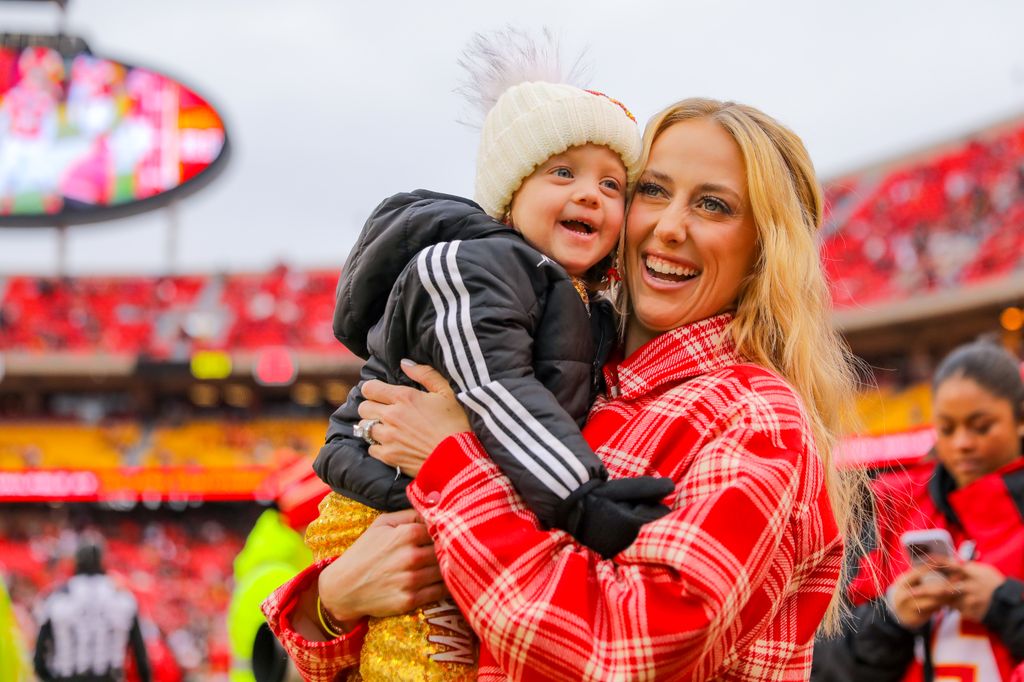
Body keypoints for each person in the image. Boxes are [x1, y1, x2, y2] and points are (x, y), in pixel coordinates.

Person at [264, 95, 866, 680]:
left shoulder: (756, 417)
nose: (669, 226)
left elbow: (623, 654)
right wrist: (335, 602)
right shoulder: (580, 379)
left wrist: (450, 462)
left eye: (713, 206)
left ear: (765, 249)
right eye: (652, 191)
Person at [303, 31, 670, 680]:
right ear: (510, 194)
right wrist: (581, 497)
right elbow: (499, 394)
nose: (591, 194)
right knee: (427, 657)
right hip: (389, 505)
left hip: (447, 495)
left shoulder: (582, 301)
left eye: (613, 185)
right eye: (563, 172)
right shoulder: (478, 266)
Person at [845, 341, 1024, 681]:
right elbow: (826, 660)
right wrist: (892, 617)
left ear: (1020, 418)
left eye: (981, 426)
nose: (962, 443)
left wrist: (1003, 605)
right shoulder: (894, 510)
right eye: (947, 428)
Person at [33, 541, 151, 682]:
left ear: (76, 561)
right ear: (102, 561)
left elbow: (40, 659)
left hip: (67, 677)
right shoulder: (123, 598)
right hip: (109, 677)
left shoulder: (56, 598)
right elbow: (140, 656)